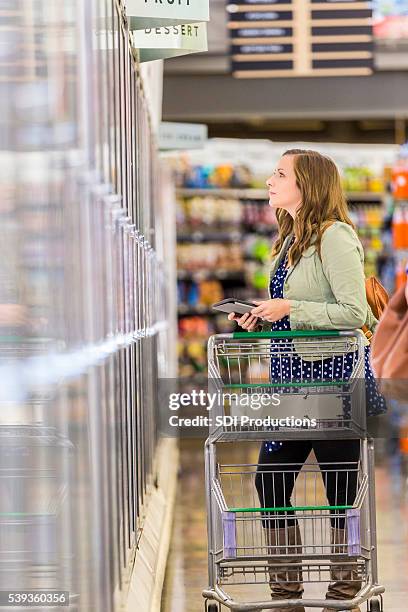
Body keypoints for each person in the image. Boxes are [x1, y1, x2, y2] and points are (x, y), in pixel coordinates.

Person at [227, 149, 386, 612]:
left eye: (281, 174)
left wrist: (291, 309)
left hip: (333, 381)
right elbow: (295, 305)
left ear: (308, 186)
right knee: (269, 481)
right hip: (290, 384)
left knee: (341, 489)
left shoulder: (335, 237)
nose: (270, 180)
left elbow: (354, 313)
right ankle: (286, 595)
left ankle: (343, 592)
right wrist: (263, 316)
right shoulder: (289, 239)